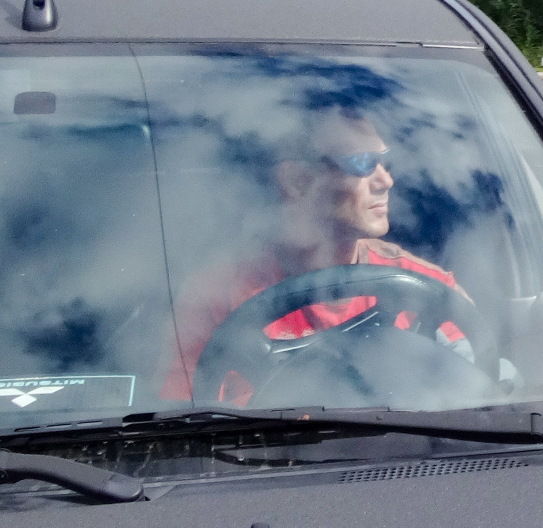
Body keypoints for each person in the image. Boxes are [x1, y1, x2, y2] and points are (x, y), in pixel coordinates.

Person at [162, 108, 471, 404]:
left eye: (386, 164)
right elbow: (181, 424)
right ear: (297, 180)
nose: (385, 181)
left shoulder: (426, 288)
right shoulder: (218, 296)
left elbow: (482, 389)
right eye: (363, 162)